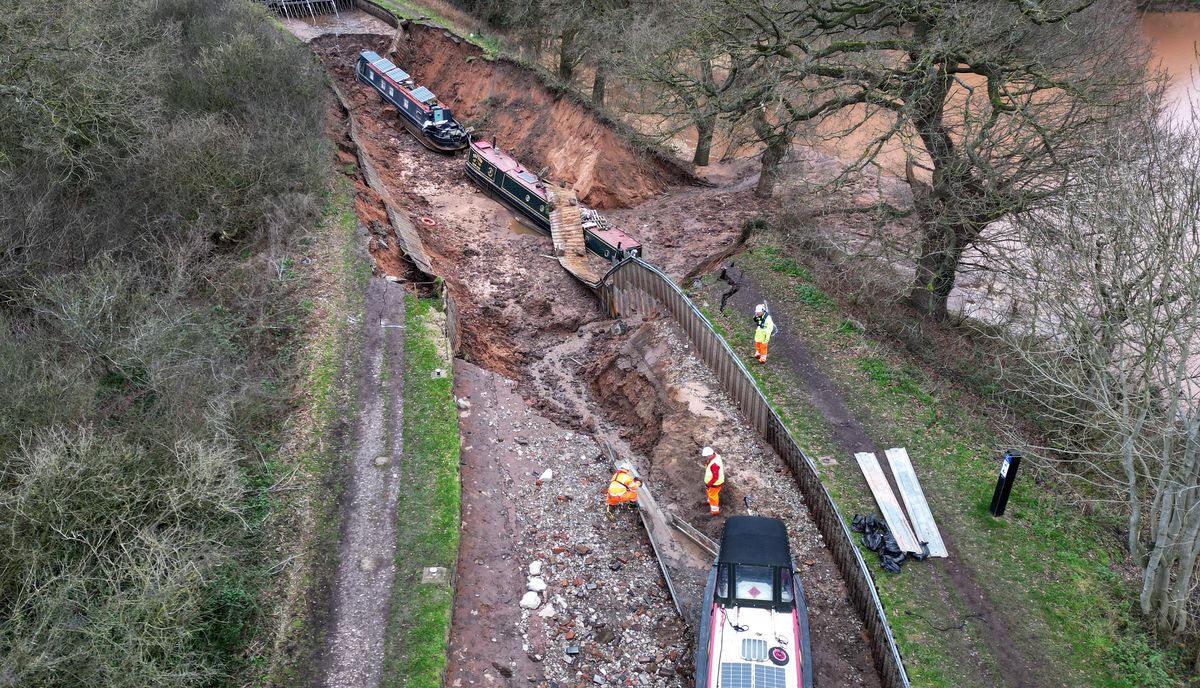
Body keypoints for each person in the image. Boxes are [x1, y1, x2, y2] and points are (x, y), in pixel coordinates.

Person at [702, 447, 725, 515]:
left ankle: (715, 511)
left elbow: (715, 477)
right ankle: (710, 501)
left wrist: (708, 484)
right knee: (710, 493)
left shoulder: (714, 465)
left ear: (709, 455)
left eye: (706, 456)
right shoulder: (716, 456)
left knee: (713, 496)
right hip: (712, 483)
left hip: (715, 484)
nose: (706, 457)